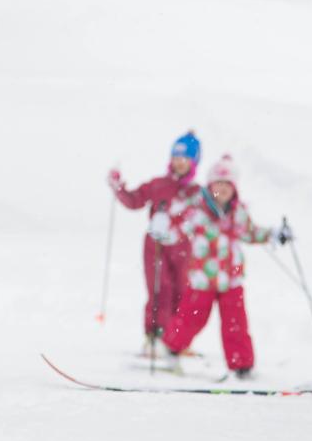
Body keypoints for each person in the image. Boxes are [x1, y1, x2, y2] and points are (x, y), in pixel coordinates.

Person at [155, 155, 287, 380]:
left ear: (234, 188)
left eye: (228, 185)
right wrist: (162, 228)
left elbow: (250, 233)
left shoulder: (238, 212)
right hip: (202, 279)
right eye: (218, 183)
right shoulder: (196, 208)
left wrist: (274, 234)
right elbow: (176, 230)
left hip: (231, 279)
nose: (223, 189)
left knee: (236, 324)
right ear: (210, 185)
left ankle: (242, 366)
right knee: (191, 319)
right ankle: (171, 347)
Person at [108, 131, 201, 349]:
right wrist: (118, 188)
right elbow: (134, 201)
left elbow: (201, 218)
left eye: (185, 158)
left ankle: (176, 343)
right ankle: (155, 337)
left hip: (183, 247)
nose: (179, 163)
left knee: (182, 291)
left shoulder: (196, 192)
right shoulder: (159, 184)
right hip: (156, 246)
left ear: (194, 162)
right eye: (176, 158)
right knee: (160, 289)